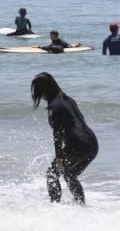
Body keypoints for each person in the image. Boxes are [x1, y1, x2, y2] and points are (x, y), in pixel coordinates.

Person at [31, 72, 98, 204]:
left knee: (52, 173)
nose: (40, 96)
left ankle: (55, 205)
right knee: (69, 174)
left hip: (79, 145)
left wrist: (59, 158)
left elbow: (57, 134)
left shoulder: (54, 106)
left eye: (39, 91)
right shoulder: (67, 99)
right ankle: (80, 207)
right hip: (92, 144)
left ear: (45, 89)